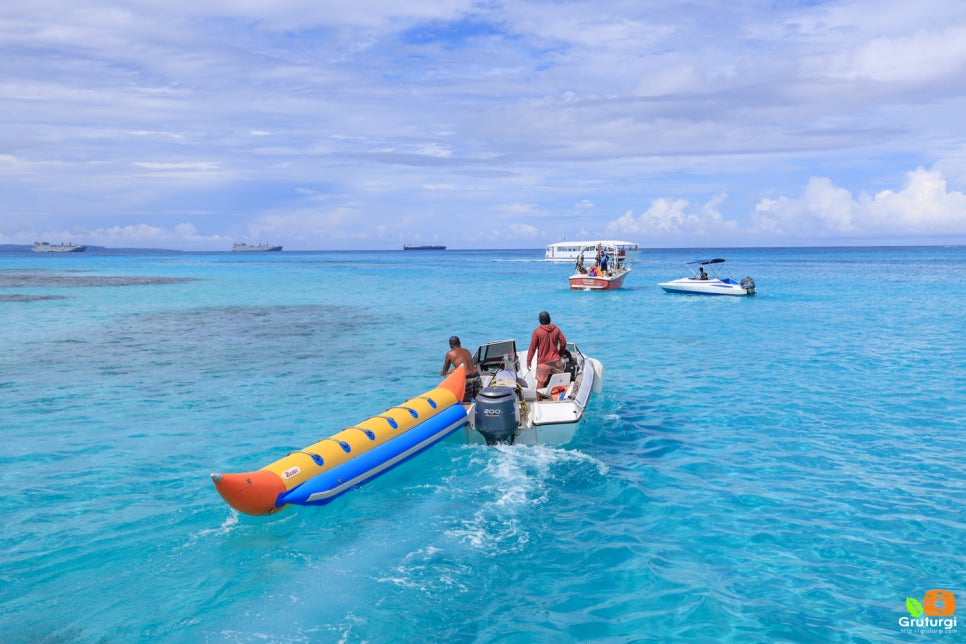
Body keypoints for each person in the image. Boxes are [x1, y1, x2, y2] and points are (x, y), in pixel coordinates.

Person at [526, 311, 567, 391]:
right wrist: (560, 353)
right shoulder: (556, 329)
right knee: (560, 383)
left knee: (540, 384)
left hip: (543, 363)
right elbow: (563, 343)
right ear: (549, 319)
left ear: (540, 320)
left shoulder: (537, 332)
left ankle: (539, 402)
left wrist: (528, 361)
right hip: (556, 361)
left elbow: (532, 348)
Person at [440, 336, 482, 403]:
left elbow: (444, 370)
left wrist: (443, 373)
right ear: (460, 343)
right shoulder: (466, 351)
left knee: (465, 402)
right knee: (480, 400)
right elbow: (464, 366)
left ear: (450, 345)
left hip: (467, 379)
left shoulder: (450, 353)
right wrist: (450, 371)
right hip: (477, 376)